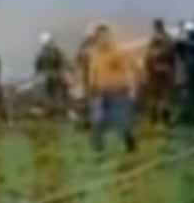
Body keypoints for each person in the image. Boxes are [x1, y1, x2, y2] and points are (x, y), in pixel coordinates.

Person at [84, 24, 137, 155]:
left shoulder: (117, 52)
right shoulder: (94, 54)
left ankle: (130, 143)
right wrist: (91, 88)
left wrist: (131, 88)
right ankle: (97, 148)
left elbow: (127, 70)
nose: (103, 39)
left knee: (121, 120)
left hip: (117, 92)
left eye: (105, 36)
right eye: (100, 37)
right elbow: (92, 72)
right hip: (100, 92)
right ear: (96, 38)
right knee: (97, 120)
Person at [142, 19, 178, 124]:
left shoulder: (154, 40)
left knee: (156, 96)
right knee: (164, 96)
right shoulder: (168, 39)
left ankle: (155, 118)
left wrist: (147, 70)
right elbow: (172, 57)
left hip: (156, 72)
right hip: (165, 71)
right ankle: (163, 118)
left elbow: (148, 57)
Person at [34, 32, 71, 117]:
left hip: (52, 77)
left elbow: (37, 68)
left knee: (53, 95)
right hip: (53, 77)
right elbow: (38, 67)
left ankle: (56, 111)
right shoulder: (54, 52)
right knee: (56, 95)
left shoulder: (43, 54)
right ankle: (58, 111)